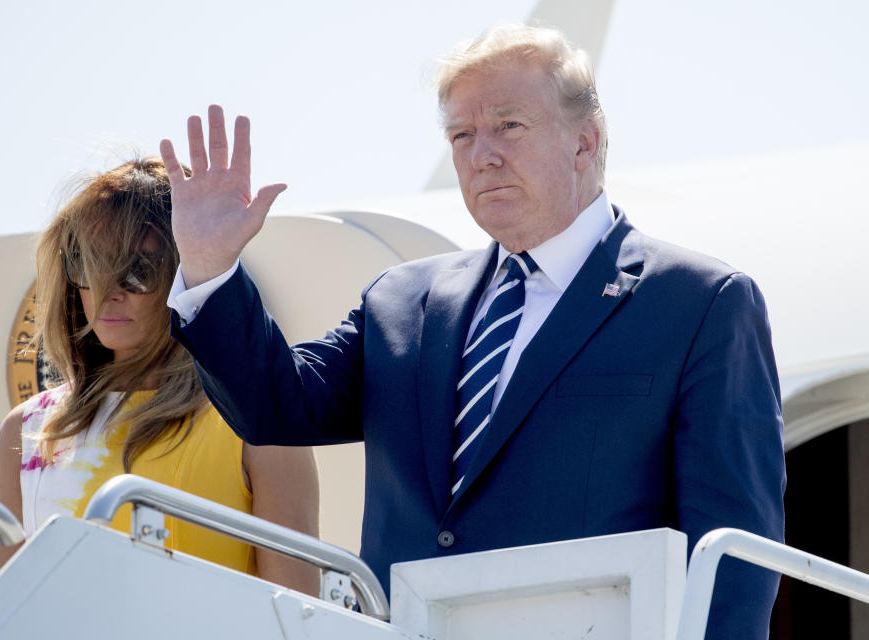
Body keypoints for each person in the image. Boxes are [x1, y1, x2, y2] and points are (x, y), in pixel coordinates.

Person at [162, 25, 785, 638]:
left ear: (584, 142)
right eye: (461, 134)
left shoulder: (699, 302)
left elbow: (732, 556)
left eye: (508, 126)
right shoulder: (402, 300)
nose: (481, 154)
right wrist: (213, 268)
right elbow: (278, 407)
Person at [0, 157, 320, 595]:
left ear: (183, 271)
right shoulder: (27, 427)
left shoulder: (257, 421)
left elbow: (297, 616)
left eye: (138, 269)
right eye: (87, 265)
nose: (108, 290)